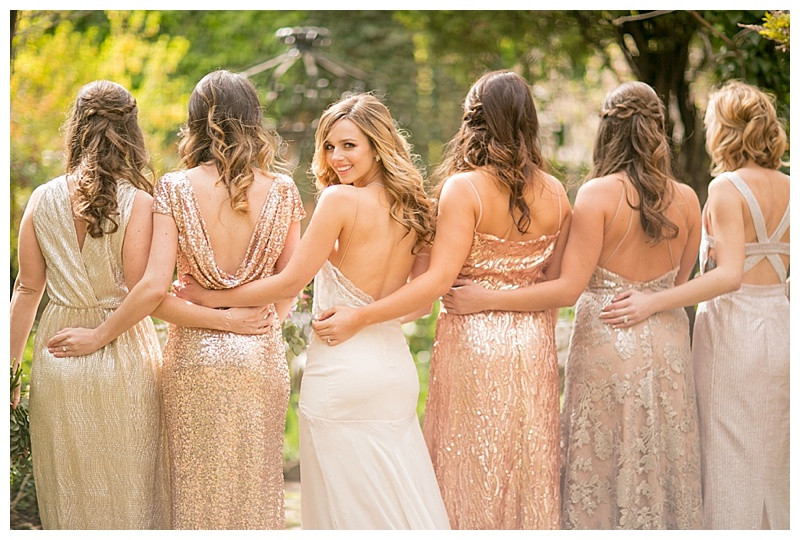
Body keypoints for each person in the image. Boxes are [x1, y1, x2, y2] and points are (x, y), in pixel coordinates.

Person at [175, 93, 449, 529]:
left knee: (343, 508)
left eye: (349, 145)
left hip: (340, 370)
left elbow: (288, 281)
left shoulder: (340, 201)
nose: (336, 157)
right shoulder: (418, 209)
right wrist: (366, 314)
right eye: (329, 146)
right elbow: (419, 302)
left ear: (377, 145)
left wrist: (210, 298)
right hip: (392, 370)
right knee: (398, 491)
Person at [311, 71, 571, 529]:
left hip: (473, 336)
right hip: (533, 340)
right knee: (525, 465)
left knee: (468, 462)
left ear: (474, 120)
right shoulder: (556, 192)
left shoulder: (463, 188)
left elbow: (437, 281)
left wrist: (481, 299)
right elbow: (557, 282)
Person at [45, 71, 303, 529]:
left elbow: (153, 291)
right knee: (258, 490)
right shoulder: (283, 190)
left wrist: (210, 313)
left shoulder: (174, 187)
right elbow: (290, 284)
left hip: (192, 359)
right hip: (260, 356)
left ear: (195, 122)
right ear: (254, 119)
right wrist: (258, 324)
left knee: (191, 493)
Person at [441, 81, 704, 529]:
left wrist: (487, 295)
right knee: (662, 458)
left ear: (607, 130)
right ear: (658, 130)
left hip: (606, 339)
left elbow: (566, 287)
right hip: (667, 341)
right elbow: (680, 281)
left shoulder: (596, 195)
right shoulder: (688, 199)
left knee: (601, 463)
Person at [601, 80, 789, 529]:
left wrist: (653, 301)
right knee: (777, 455)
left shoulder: (726, 187)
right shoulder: (790, 186)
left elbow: (728, 276)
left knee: (726, 454)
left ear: (725, 129)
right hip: (782, 326)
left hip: (733, 333)